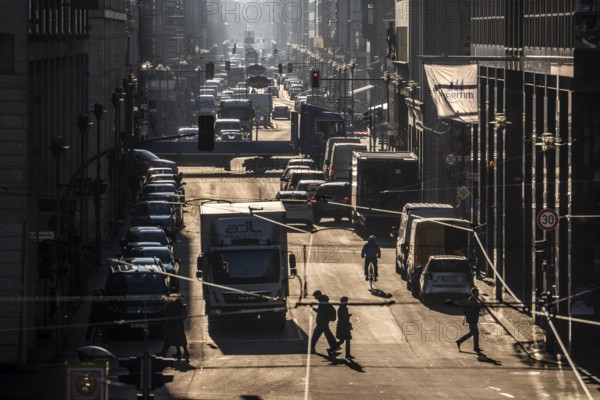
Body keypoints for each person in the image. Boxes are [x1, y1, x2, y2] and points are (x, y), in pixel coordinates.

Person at [157, 295, 190, 360]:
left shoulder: (171, 305)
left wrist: (163, 310)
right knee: (178, 338)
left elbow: (168, 314)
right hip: (178, 323)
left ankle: (166, 352)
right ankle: (180, 352)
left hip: (173, 324)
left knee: (172, 338)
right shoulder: (177, 303)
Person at [310, 291, 339, 357]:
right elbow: (323, 311)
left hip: (322, 322)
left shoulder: (322, 302)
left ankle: (311, 348)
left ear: (318, 295)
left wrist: (316, 311)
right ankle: (334, 347)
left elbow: (322, 312)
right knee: (328, 334)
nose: (315, 298)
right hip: (324, 321)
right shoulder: (324, 300)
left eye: (315, 296)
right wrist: (316, 310)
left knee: (316, 335)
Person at [456, 287, 483, 353]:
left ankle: (460, 341)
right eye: (476, 293)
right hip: (472, 319)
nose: (478, 295)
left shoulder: (472, 299)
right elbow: (475, 309)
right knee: (475, 333)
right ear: (473, 293)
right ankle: (475, 347)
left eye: (478, 293)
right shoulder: (472, 300)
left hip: (472, 319)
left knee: (473, 333)